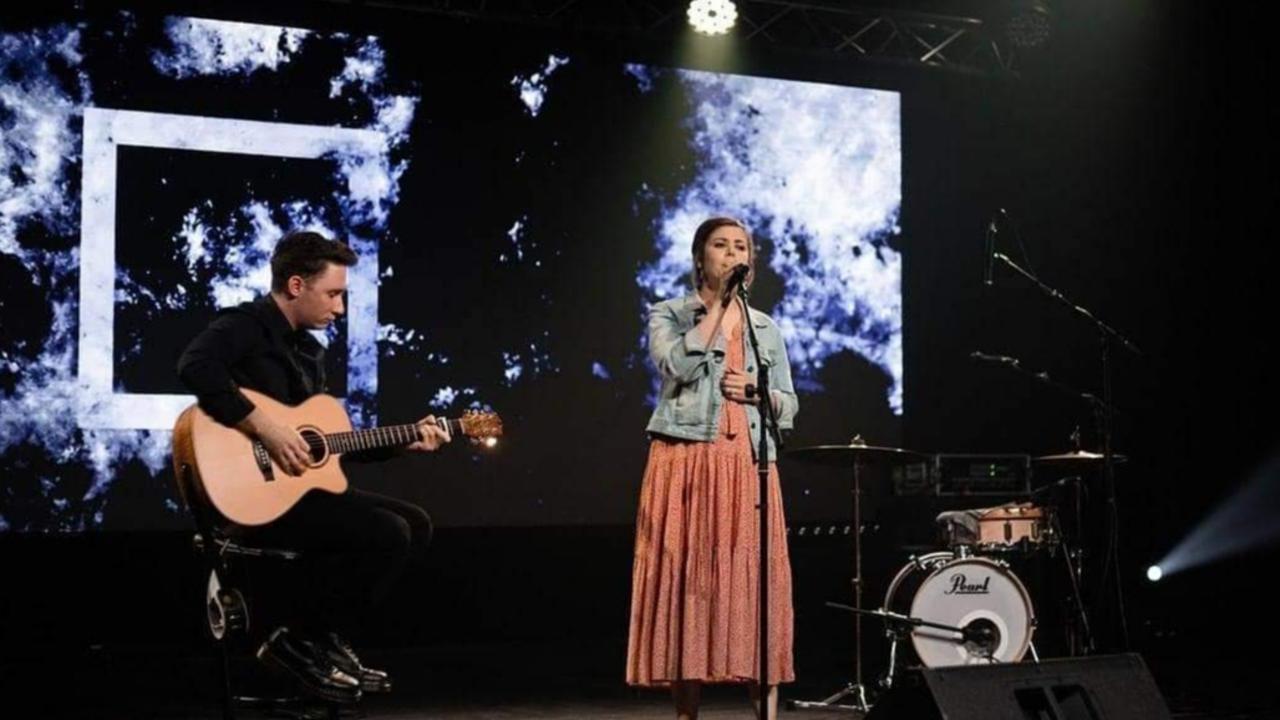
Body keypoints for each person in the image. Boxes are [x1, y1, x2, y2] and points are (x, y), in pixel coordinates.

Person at [176, 229, 450, 704]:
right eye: (334, 294)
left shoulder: (309, 351)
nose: (340, 309)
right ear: (297, 285)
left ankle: (319, 640)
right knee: (387, 533)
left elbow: (324, 444)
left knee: (416, 524)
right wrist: (264, 426)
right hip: (244, 499)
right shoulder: (246, 325)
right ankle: (298, 640)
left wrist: (405, 443)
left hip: (295, 494)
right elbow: (195, 365)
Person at [626, 216, 800, 719]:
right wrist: (719, 307)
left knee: (751, 582)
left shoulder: (765, 328)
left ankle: (763, 709)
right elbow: (674, 366)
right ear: (700, 258)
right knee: (688, 581)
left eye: (740, 247)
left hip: (746, 463)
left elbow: (788, 403)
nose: (731, 254)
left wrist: (757, 391)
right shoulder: (670, 313)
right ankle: (687, 713)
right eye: (720, 246)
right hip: (684, 460)